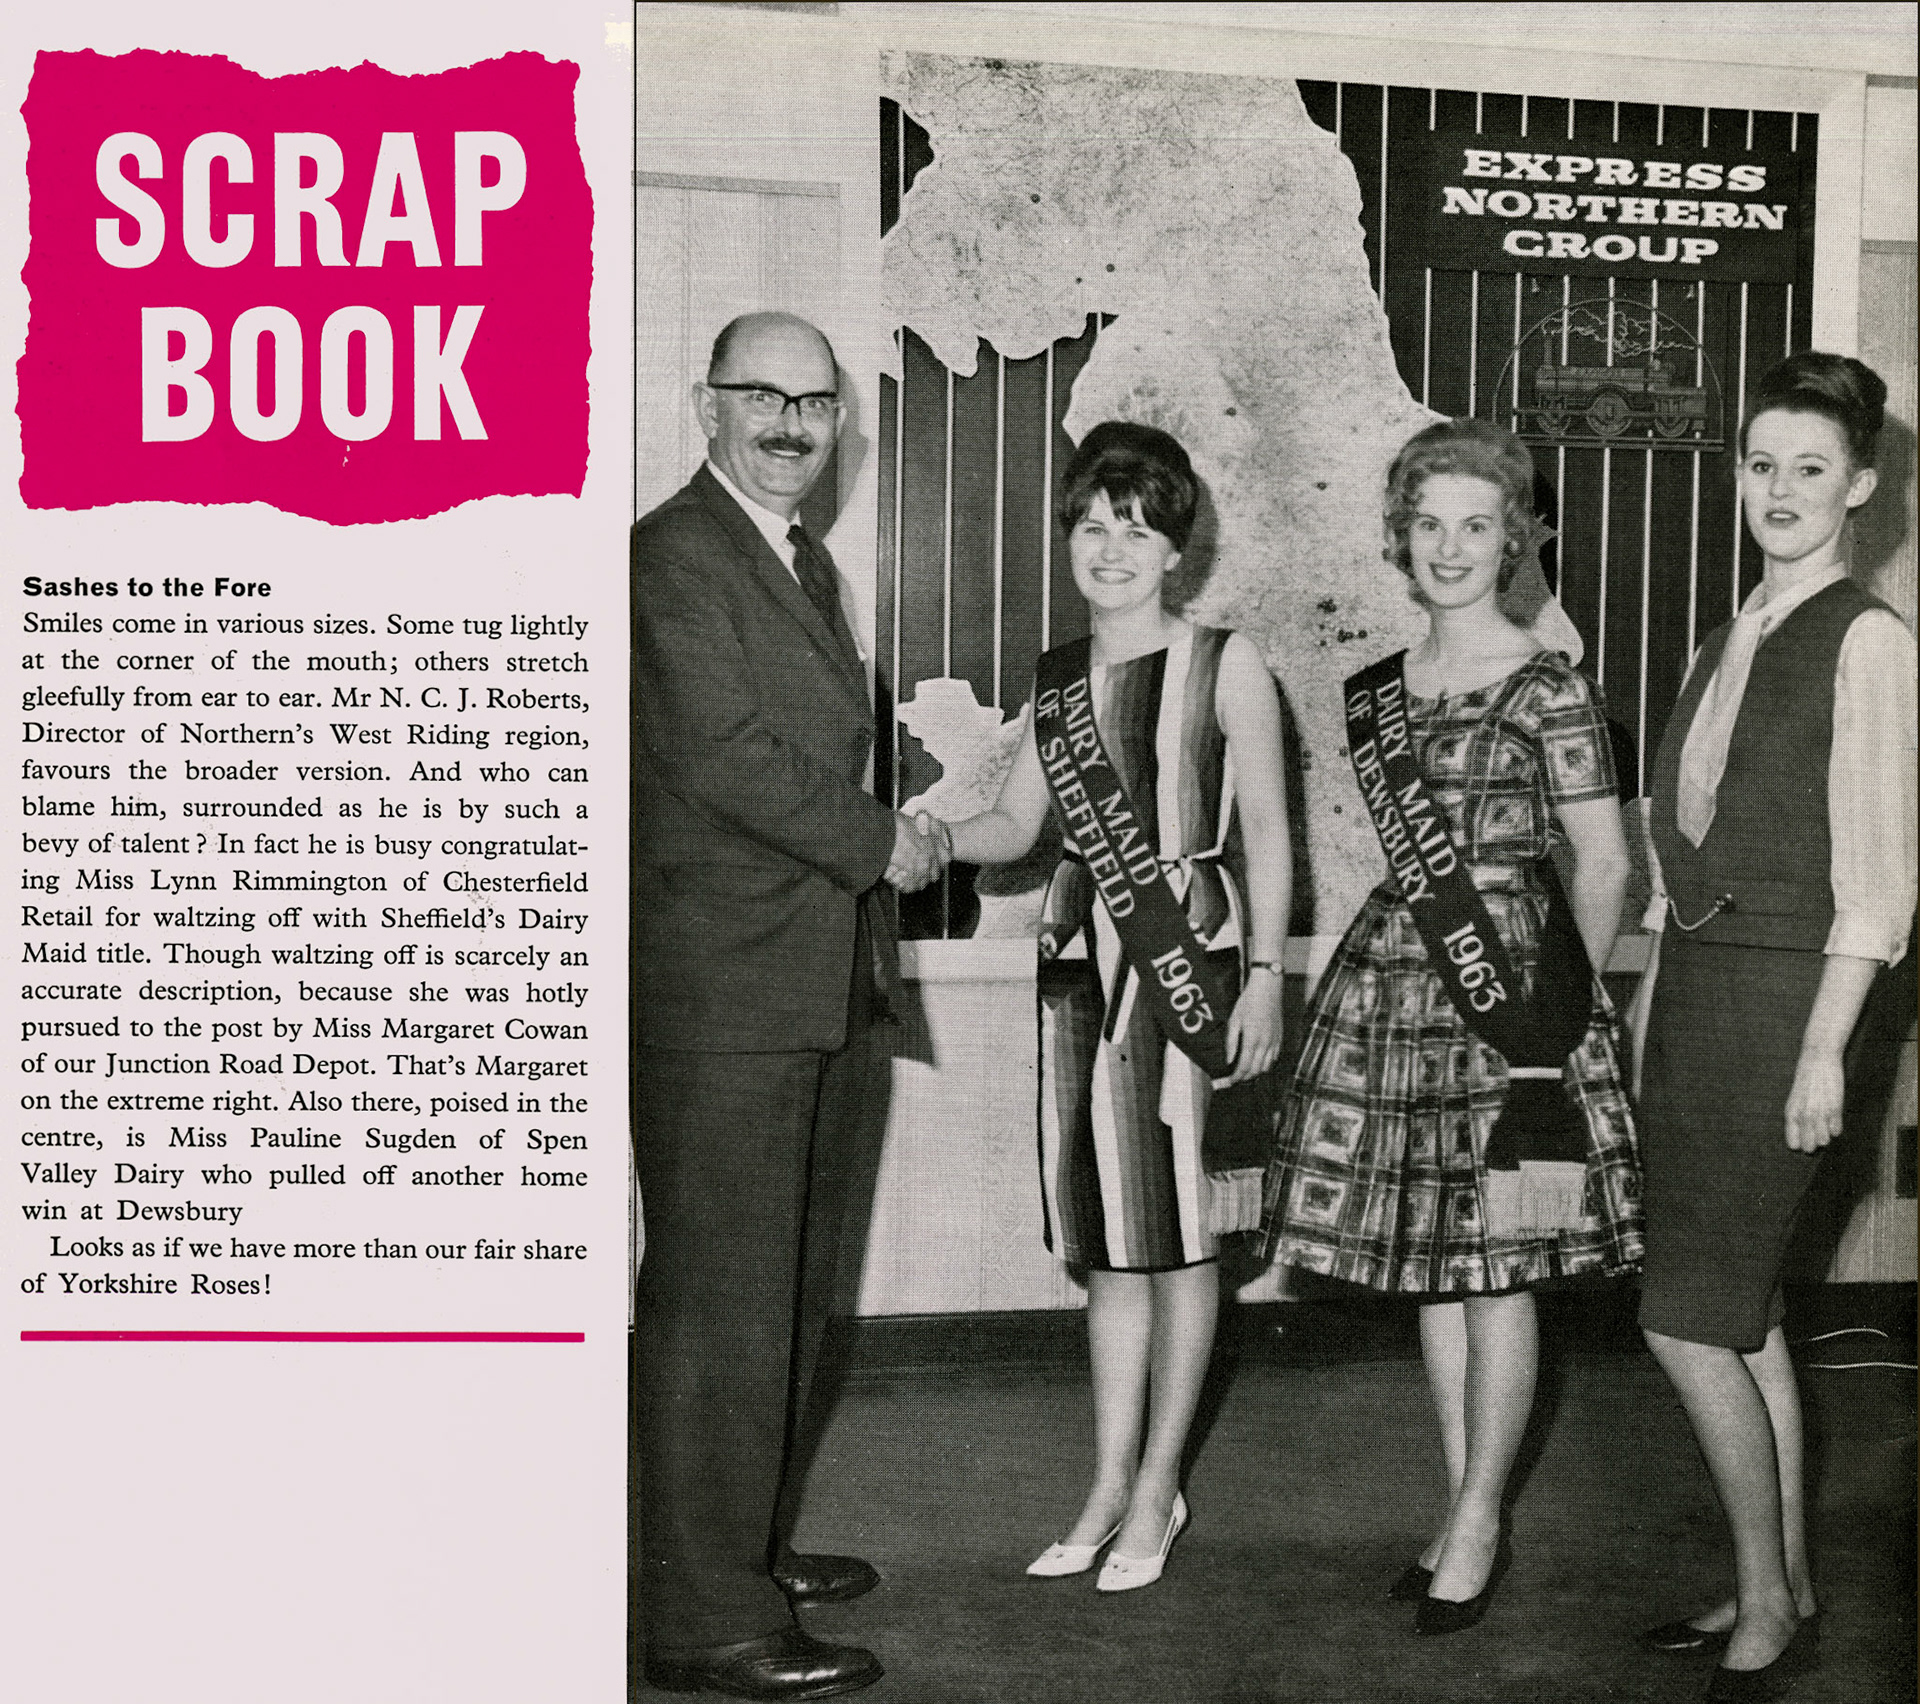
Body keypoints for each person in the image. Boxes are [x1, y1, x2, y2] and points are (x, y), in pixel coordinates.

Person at [1261, 417, 1644, 1635]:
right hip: (1396, 989)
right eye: (1428, 524)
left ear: (1517, 539)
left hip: (1517, 998)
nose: (1450, 546)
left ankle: (1481, 1518)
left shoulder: (1550, 683)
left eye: (1477, 525)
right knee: (1434, 1266)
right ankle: (1458, 1500)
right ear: (1399, 538)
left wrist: (1558, 1015)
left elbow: (1602, 862)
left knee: (1501, 1272)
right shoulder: (1385, 686)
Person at [632, 311, 947, 1701]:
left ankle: (739, 1549)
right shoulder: (668, 560)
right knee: (723, 1311)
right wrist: (891, 842)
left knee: (790, 1299)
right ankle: (704, 1617)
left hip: (813, 982)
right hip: (726, 999)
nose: (790, 422)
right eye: (761, 396)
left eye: (815, 404)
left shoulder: (794, 559)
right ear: (706, 405)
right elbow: (728, 756)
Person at [934, 421, 1292, 1592]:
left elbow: (1275, 843)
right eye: (1093, 527)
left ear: (1175, 550)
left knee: (1180, 1240)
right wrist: (920, 835)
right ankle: (1105, 1480)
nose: (1112, 549)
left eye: (1136, 531)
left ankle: (1156, 1491)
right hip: (1082, 965)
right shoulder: (1054, 682)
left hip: (1190, 957)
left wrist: (1272, 979)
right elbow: (1017, 831)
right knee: (1109, 1244)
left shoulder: (1228, 662)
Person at [1628, 351, 1916, 1702]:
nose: (1780, 490)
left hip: (1787, 1010)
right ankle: (1783, 1577)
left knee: (1684, 1321)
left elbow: (1881, 886)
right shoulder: (1730, 628)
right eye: (1762, 465)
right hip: (1699, 995)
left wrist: (1820, 1054)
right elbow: (1688, 836)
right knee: (1740, 1322)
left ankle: (1763, 1602)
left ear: (1859, 485)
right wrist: (1649, 993)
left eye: (1811, 467)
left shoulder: (1868, 641)